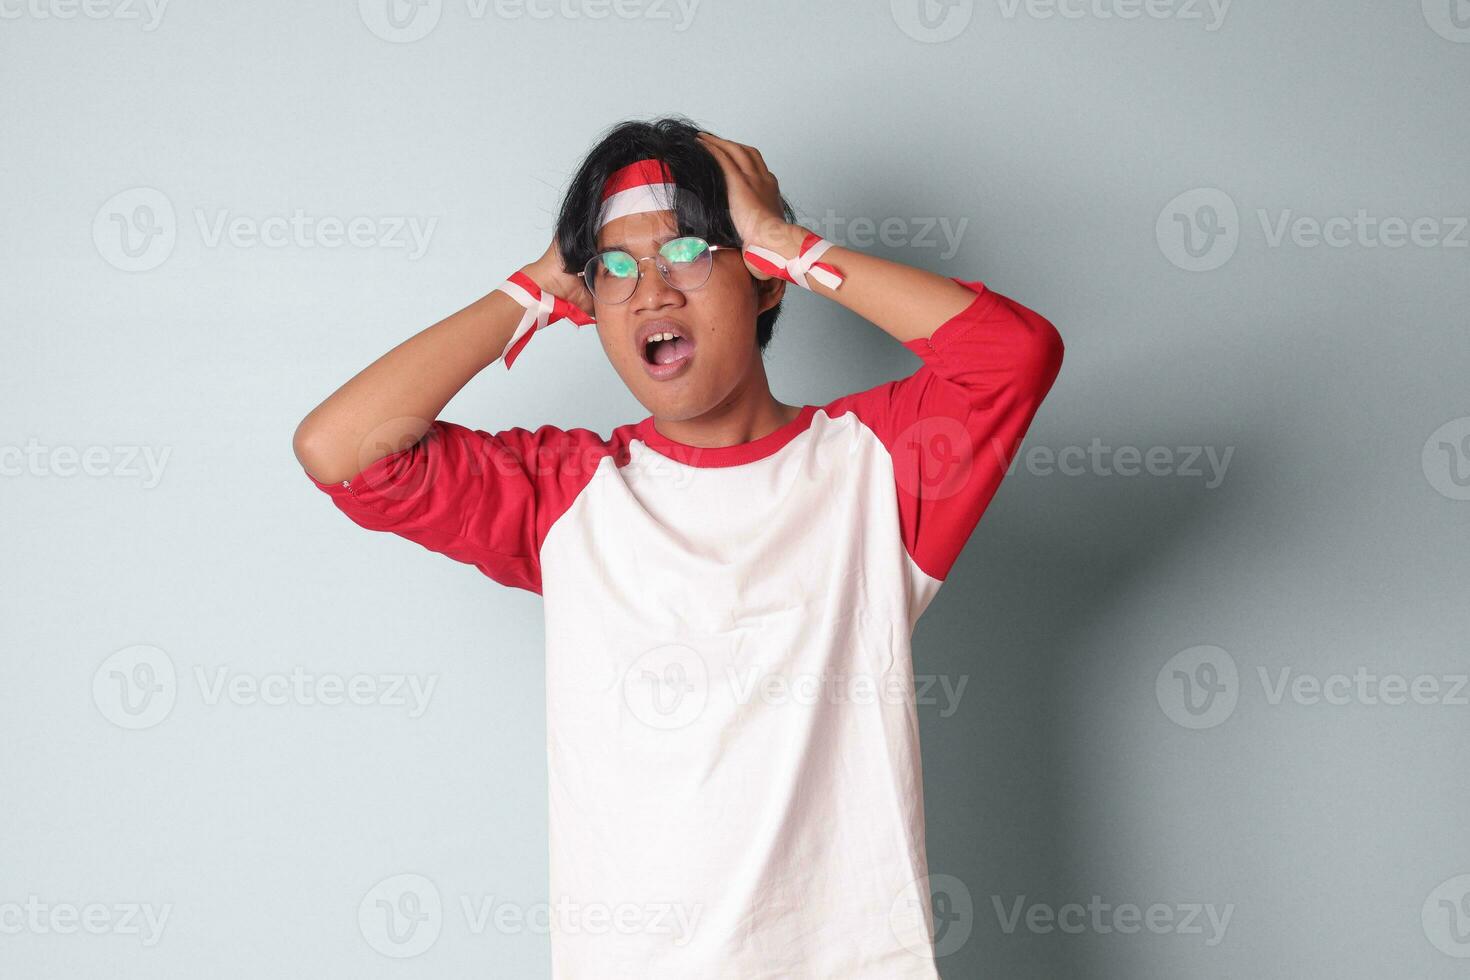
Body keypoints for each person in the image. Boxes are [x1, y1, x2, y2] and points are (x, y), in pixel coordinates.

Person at [293, 116, 1064, 979]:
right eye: (615, 269)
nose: (652, 290)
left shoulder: (876, 469)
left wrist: (787, 241)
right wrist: (538, 285)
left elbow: (1013, 357)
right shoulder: (566, 496)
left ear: (765, 285)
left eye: (690, 252)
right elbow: (342, 447)